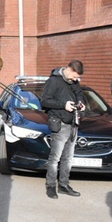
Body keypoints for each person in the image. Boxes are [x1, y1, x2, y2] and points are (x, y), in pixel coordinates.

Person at [41, 60, 85, 199]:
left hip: (73, 123)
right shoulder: (54, 81)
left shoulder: (74, 82)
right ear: (68, 70)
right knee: (55, 158)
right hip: (59, 123)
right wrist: (63, 105)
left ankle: (64, 185)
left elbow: (79, 93)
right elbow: (45, 101)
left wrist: (80, 103)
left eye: (77, 77)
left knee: (68, 158)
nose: (75, 79)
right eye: (74, 76)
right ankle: (51, 186)